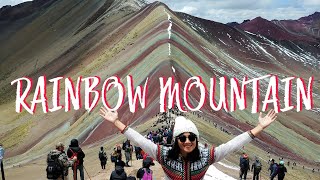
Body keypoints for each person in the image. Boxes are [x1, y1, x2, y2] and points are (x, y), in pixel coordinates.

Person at [100, 107, 277, 179]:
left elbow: (233, 144)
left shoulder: (208, 156)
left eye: (192, 137)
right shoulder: (163, 154)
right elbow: (139, 140)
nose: (187, 141)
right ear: (176, 140)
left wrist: (259, 128)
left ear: (196, 139)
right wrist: (116, 122)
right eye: (182, 138)